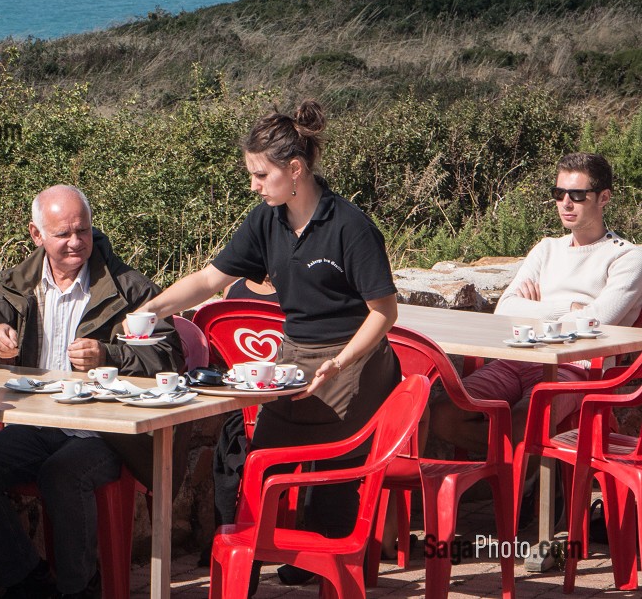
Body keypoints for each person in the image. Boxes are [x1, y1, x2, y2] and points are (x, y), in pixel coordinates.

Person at [141, 101, 400, 589]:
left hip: (356, 359)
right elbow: (209, 279)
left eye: (261, 175)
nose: (254, 186)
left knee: (337, 463)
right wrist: (152, 310)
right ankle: (246, 573)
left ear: (296, 170)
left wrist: (340, 364)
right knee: (258, 464)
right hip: (295, 357)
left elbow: (384, 313)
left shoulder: (350, 226)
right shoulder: (267, 221)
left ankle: (329, 572)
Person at [0, 185, 181, 599]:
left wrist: (110, 354)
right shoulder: (18, 285)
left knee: (62, 474)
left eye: (84, 231)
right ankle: (27, 579)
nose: (76, 242)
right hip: (41, 424)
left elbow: (169, 354)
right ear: (37, 235)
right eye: (63, 234)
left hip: (108, 432)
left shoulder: (128, 287)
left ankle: (79, 589)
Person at [431, 152, 642, 451]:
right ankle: (512, 475)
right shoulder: (546, 249)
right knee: (443, 413)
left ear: (603, 197)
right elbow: (505, 309)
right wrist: (567, 309)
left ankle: (514, 485)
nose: (566, 204)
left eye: (578, 195)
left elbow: (597, 322)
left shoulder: (627, 257)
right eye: (559, 193)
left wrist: (535, 311)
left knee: (524, 420)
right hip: (518, 357)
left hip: (576, 369)